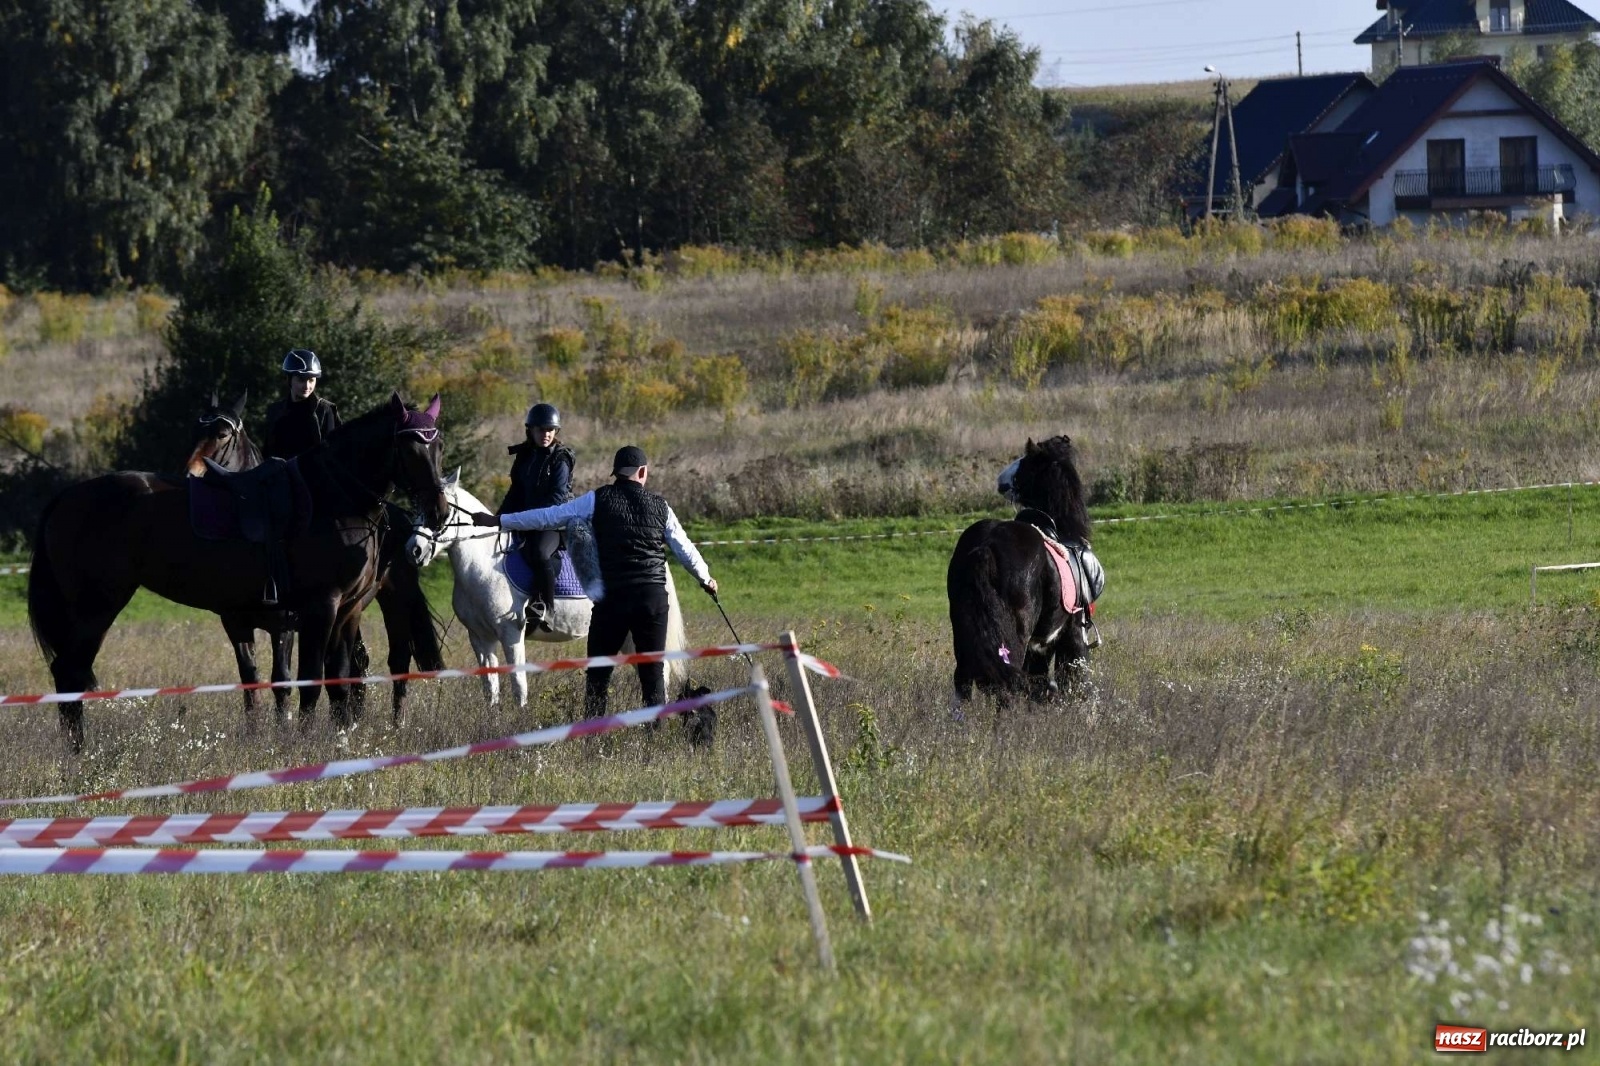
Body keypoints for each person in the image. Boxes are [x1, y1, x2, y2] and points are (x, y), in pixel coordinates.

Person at [473, 445, 717, 718]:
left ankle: (593, 732)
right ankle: (654, 734)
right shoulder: (662, 507)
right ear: (643, 472)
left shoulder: (596, 499)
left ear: (615, 474)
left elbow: (548, 517)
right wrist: (706, 579)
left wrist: (499, 520)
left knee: (599, 674)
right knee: (652, 671)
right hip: (652, 598)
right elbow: (684, 549)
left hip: (613, 600)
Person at [498, 403, 574, 631]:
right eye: (541, 429)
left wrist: (527, 517)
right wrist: (498, 518)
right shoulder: (523, 457)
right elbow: (515, 492)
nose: (546, 434)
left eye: (550, 429)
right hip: (526, 520)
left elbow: (557, 499)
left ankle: (546, 609)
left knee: (539, 552)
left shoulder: (561, 459)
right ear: (530, 430)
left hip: (554, 523)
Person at [264, 349, 340, 460]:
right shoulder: (275, 411)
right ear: (289, 380)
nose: (307, 386)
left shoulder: (325, 410)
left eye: (311, 380)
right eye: (301, 380)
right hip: (280, 475)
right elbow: (267, 455)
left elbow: (334, 453)